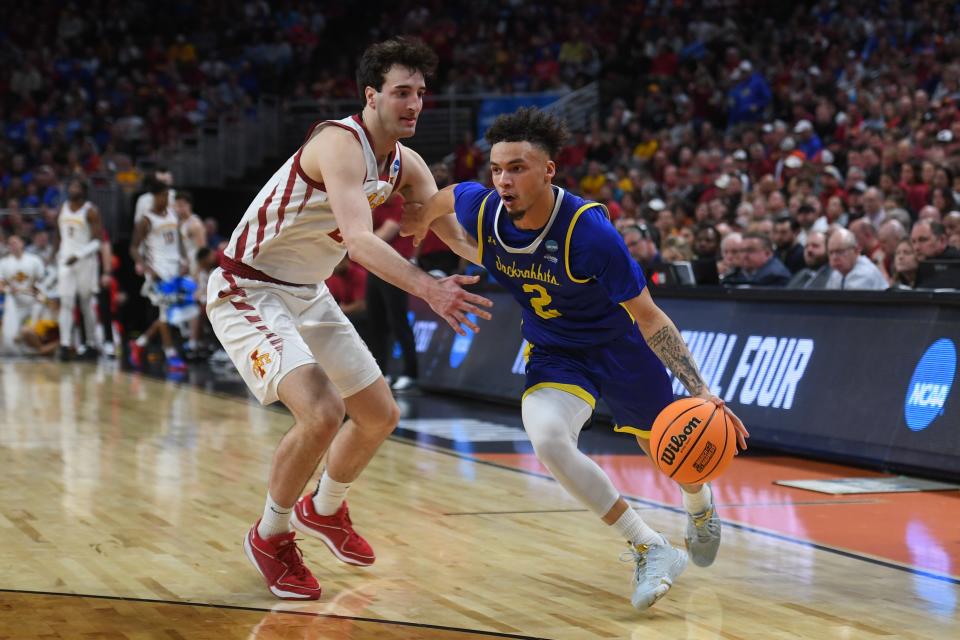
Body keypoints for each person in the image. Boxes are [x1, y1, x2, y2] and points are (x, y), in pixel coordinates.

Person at [401, 107, 748, 611]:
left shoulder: (591, 236)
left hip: (620, 349)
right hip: (556, 353)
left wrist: (700, 390)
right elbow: (452, 195)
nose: (503, 180)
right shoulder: (485, 206)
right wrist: (425, 216)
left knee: (679, 455)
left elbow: (650, 318)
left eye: (517, 168)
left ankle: (699, 506)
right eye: (496, 168)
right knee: (547, 440)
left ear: (548, 170)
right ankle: (650, 545)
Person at [204, 39, 492, 601]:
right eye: (401, 93)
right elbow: (360, 242)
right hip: (248, 288)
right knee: (322, 413)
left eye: (421, 94)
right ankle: (271, 534)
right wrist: (430, 289)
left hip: (306, 292)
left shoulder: (406, 163)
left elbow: (440, 228)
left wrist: (521, 262)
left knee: (380, 414)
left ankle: (325, 508)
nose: (413, 104)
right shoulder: (338, 143)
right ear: (372, 95)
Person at [128, 177, 189, 372]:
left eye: (167, 194)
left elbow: (179, 242)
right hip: (157, 271)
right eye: (163, 194)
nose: (166, 198)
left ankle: (139, 343)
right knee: (165, 313)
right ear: (155, 196)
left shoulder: (173, 215)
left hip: (173, 268)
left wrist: (185, 260)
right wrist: (146, 268)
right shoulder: (146, 219)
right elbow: (134, 248)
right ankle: (171, 355)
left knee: (168, 313)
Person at [366, 192, 419, 391]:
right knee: (376, 324)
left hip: (397, 268)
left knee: (398, 321)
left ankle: (411, 374)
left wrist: (362, 238)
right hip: (375, 267)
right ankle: (382, 372)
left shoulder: (400, 203)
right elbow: (362, 226)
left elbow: (385, 234)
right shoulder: (378, 205)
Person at [56, 178, 103, 359]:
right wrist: (56, 254)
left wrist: (80, 254)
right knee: (66, 302)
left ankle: (91, 343)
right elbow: (59, 235)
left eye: (76, 186)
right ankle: (65, 344)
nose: (72, 188)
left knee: (86, 302)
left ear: (83, 190)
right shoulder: (63, 208)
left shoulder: (90, 210)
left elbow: (98, 240)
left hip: (85, 261)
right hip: (65, 260)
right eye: (71, 185)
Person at [0, 235, 45, 353]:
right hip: (15, 305)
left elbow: (42, 281)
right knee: (12, 337)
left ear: (22, 243)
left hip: (34, 303)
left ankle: (40, 349)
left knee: (34, 329)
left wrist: (35, 288)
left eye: (15, 242)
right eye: (10, 244)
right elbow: (1, 285)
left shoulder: (34, 260)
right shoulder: (3, 263)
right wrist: (9, 289)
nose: (13, 246)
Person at [824, 228, 888, 290]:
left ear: (856, 250)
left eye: (840, 252)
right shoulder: (838, 272)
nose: (834, 257)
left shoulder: (865, 273)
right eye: (831, 252)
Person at [722, 232, 791, 286]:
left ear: (767, 253)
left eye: (750, 250)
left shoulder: (775, 276)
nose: (744, 255)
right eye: (742, 250)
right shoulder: (738, 272)